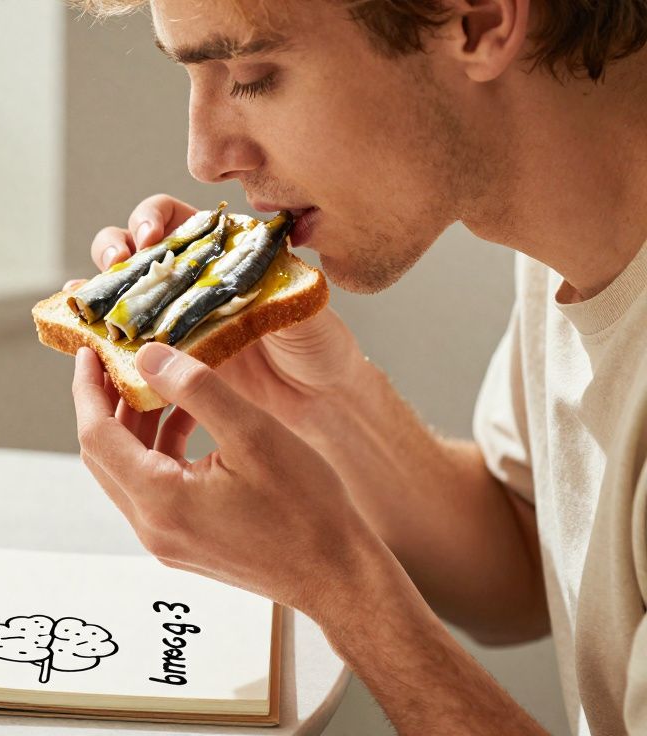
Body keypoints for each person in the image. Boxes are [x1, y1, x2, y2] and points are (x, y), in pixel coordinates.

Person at [66, 0, 647, 733]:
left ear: (480, 22)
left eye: (252, 75)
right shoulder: (569, 241)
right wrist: (327, 403)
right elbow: (527, 568)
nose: (205, 156)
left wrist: (337, 581)